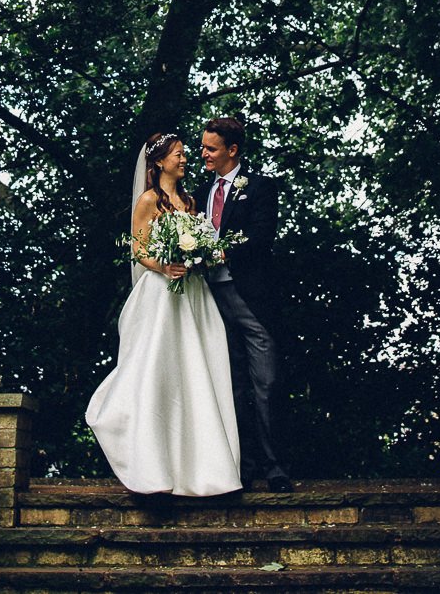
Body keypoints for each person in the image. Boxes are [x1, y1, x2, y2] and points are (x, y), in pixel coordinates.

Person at [85, 132, 242, 496]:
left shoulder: (189, 200)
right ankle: (150, 464)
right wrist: (164, 265)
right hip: (161, 294)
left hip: (193, 295)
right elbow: (139, 250)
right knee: (159, 372)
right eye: (179, 155)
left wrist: (197, 255)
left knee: (197, 372)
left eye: (186, 154)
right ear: (159, 162)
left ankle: (203, 469)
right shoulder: (148, 200)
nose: (185, 160)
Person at [198, 115, 292, 491]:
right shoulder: (200, 193)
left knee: (266, 383)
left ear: (232, 150)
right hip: (209, 301)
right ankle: (241, 466)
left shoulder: (262, 187)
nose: (203, 153)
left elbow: (260, 239)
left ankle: (276, 468)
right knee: (229, 385)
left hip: (250, 298)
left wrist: (217, 253)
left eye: (211, 148)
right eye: (203, 146)